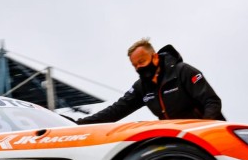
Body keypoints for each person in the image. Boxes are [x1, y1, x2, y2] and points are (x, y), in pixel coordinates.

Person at [78, 38, 224, 123]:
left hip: (209, 136)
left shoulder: (183, 71)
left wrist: (202, 129)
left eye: (141, 62)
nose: (138, 68)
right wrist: (80, 124)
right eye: (134, 65)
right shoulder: (142, 87)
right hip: (179, 142)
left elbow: (212, 102)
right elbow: (116, 111)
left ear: (154, 57)